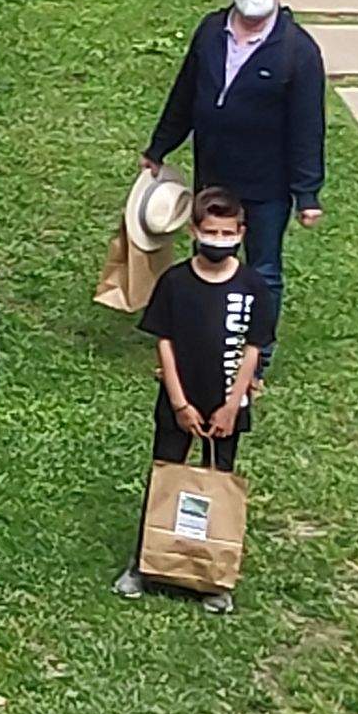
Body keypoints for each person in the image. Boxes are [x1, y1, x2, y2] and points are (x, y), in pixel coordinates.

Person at [144, 0, 326, 327]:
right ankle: (202, 337)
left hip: (266, 185)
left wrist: (306, 194)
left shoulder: (298, 53)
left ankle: (256, 356)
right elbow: (185, 94)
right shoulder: (212, 31)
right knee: (207, 258)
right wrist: (159, 147)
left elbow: (308, 127)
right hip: (213, 174)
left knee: (264, 271)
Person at [121, 185, 275, 613]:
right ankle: (145, 563)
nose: (218, 240)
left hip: (227, 403)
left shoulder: (252, 286)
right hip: (179, 402)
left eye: (228, 233)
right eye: (211, 232)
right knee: (166, 474)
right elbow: (164, 342)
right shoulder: (175, 282)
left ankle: (213, 576)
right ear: (194, 230)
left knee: (218, 478)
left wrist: (232, 404)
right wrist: (179, 402)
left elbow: (253, 348)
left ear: (242, 233)